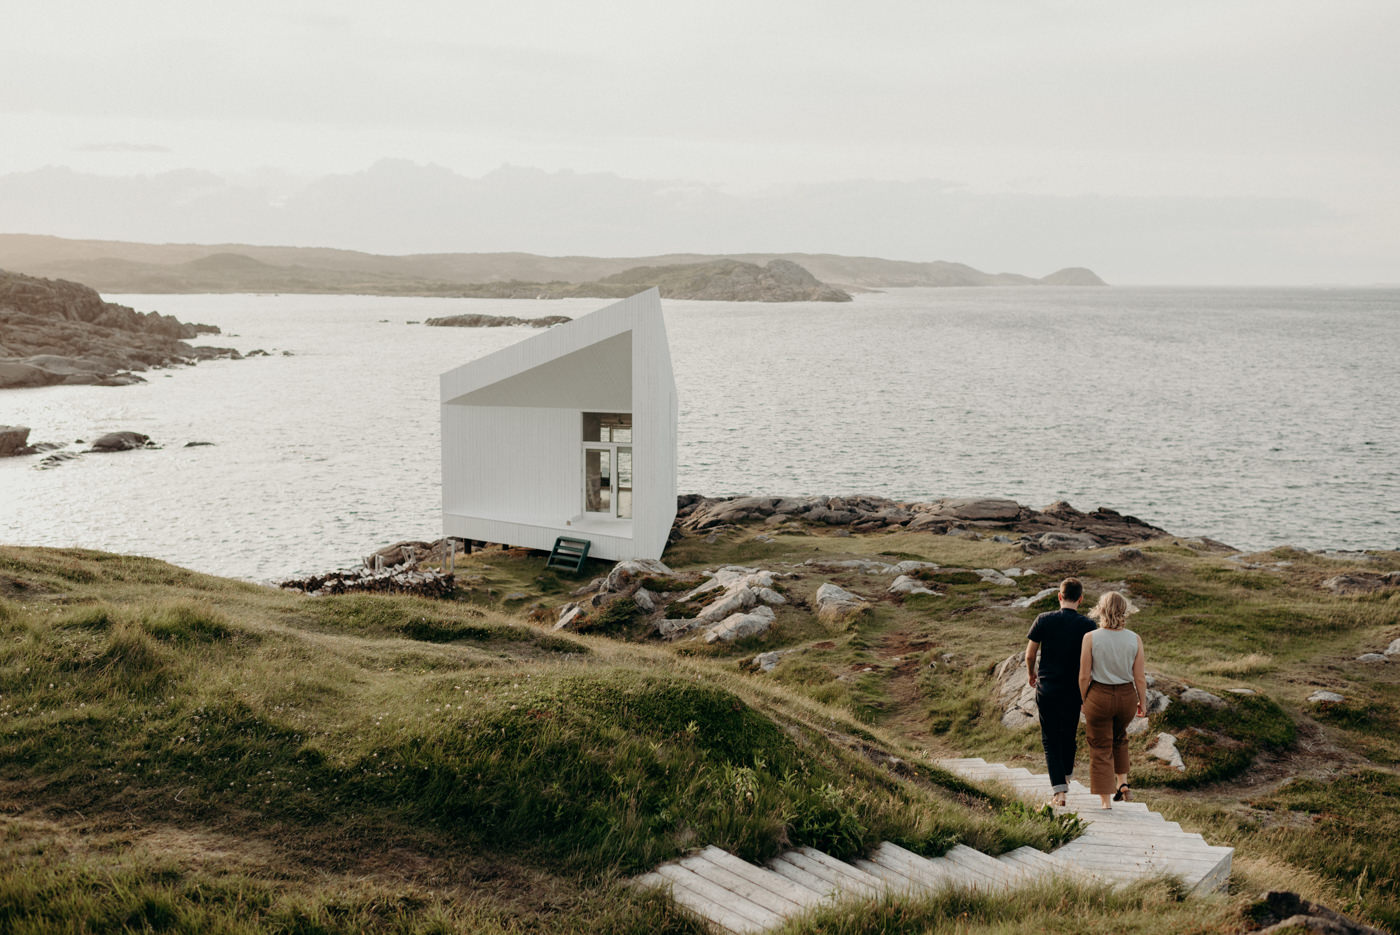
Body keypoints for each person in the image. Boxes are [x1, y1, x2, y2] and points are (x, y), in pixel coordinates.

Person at [1024, 577, 1096, 807]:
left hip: (1047, 689)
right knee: (1069, 735)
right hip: (1073, 691)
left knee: (1050, 739)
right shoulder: (1088, 626)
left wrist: (1031, 674)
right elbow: (1091, 662)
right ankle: (1065, 776)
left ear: (1059, 596)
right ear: (1081, 599)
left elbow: (1029, 654)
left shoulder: (1043, 620)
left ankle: (1059, 792)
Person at [1078, 590, 1147, 809]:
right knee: (1120, 737)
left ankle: (1106, 800)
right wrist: (1142, 702)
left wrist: (1083, 698)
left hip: (1099, 694)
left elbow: (1084, 675)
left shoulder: (1091, 637)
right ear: (1124, 610)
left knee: (1099, 745)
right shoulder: (1134, 639)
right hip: (1126, 695)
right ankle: (1123, 783)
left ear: (1101, 610)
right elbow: (1139, 677)